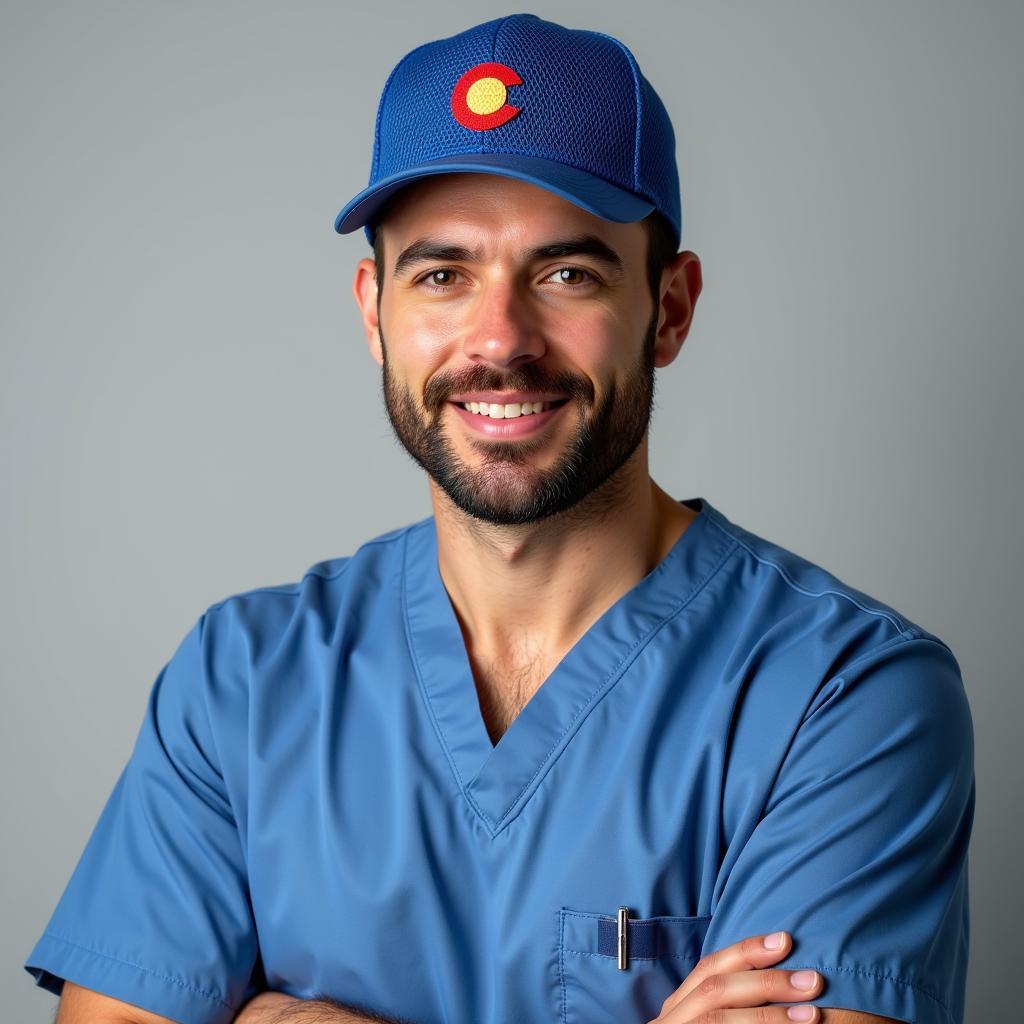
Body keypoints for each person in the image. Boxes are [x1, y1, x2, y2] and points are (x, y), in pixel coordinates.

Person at [24, 13, 974, 1024]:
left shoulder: (844, 694)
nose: (498, 338)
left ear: (672, 306)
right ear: (372, 311)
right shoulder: (242, 681)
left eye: (567, 273)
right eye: (442, 274)